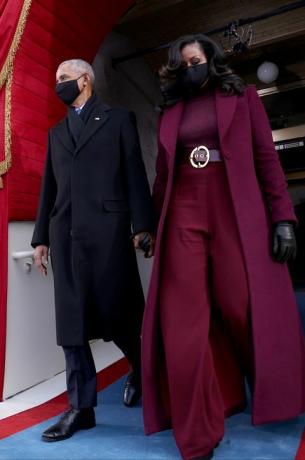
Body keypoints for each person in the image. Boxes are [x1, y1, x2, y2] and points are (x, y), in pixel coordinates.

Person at [141, 34, 305, 460]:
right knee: (182, 324)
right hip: (182, 215)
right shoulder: (169, 110)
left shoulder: (244, 97)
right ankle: (197, 434)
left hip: (235, 212)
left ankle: (251, 390)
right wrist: (148, 226)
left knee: (240, 306)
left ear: (210, 60)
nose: (189, 67)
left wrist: (283, 218)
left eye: (195, 60)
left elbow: (267, 159)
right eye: (181, 64)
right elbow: (162, 176)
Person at [32, 59, 155, 442]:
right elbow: (48, 189)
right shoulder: (56, 133)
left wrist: (143, 225)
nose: (58, 86)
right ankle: (80, 409)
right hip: (65, 237)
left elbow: (135, 172)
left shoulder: (118, 119)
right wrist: (40, 239)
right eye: (56, 81)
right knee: (72, 327)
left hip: (109, 235)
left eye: (63, 79)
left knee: (121, 316)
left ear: (85, 80)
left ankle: (141, 369)